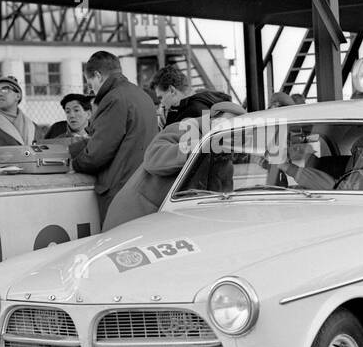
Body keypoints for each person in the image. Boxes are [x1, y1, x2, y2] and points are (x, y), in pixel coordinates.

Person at [104, 102, 247, 230]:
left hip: (163, 223)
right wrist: (196, 150)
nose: (230, 135)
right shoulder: (184, 129)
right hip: (134, 217)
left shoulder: (223, 158)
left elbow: (219, 200)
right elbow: (152, 159)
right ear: (212, 120)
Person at [69, 51, 158, 222]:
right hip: (144, 187)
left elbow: (98, 153)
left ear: (97, 75)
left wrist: (74, 163)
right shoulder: (142, 95)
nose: (91, 89)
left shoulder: (113, 99)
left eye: (90, 83)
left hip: (120, 192)